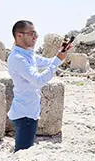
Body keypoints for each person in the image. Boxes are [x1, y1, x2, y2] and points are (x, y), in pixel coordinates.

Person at [7, 20, 71, 152]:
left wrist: (61, 54)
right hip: (24, 114)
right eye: (31, 33)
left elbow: (48, 62)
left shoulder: (28, 54)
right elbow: (39, 80)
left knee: (25, 152)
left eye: (35, 33)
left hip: (30, 112)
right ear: (19, 35)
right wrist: (57, 61)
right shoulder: (18, 58)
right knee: (22, 154)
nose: (35, 37)